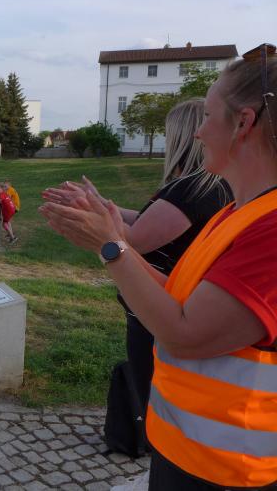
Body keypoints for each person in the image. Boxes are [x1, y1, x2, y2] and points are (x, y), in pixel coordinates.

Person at [40, 43, 277, 490]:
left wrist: (111, 246)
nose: (198, 133)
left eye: (207, 116)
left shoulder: (271, 229)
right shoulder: (239, 213)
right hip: (186, 454)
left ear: (244, 123)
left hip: (232, 471)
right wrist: (111, 234)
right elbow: (180, 295)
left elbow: (185, 333)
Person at [42, 99, 232, 426]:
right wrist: (103, 207)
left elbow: (135, 241)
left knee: (155, 396)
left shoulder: (191, 189)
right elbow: (144, 221)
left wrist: (98, 230)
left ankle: (150, 442)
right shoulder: (206, 186)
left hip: (157, 305)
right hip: (169, 300)